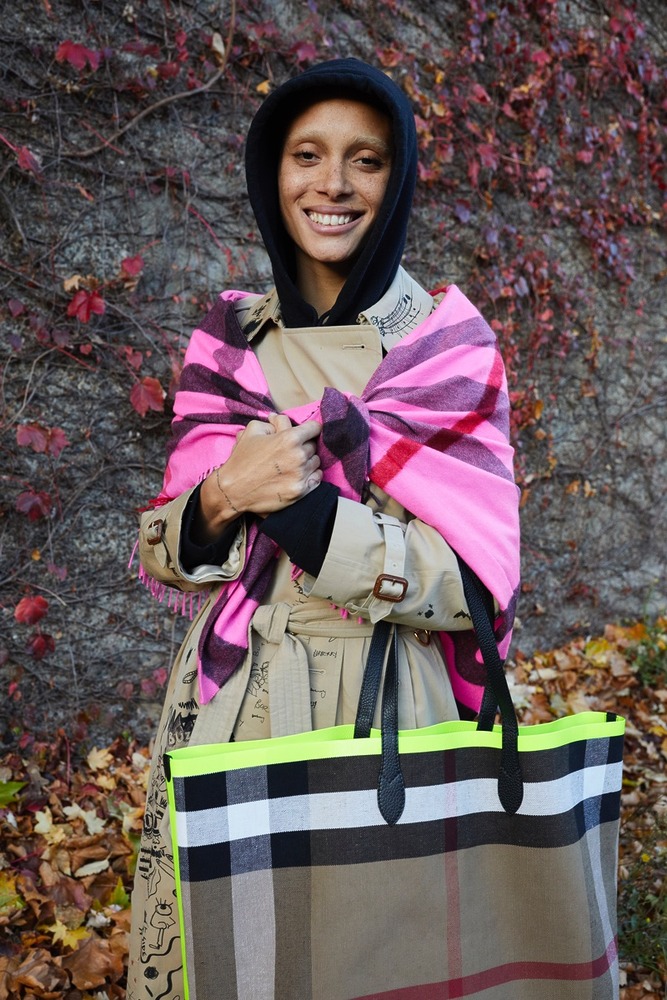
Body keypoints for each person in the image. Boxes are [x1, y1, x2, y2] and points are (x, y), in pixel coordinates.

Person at [127, 57, 520, 1000]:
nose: (332, 184)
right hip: (230, 701)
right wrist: (225, 495)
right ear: (273, 173)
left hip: (389, 716)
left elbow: (476, 586)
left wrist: (310, 521)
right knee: (225, 963)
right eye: (306, 155)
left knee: (377, 966)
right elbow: (166, 550)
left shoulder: (446, 349)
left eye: (365, 159)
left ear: (398, 178)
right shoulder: (228, 341)